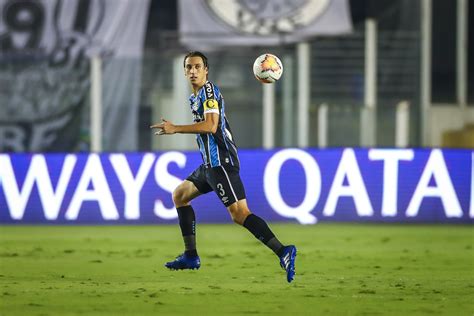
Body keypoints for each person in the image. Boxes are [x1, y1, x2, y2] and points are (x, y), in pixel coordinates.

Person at [150, 51, 297, 283]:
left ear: (206, 70)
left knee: (239, 214)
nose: (193, 71)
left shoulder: (209, 92)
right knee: (179, 195)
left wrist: (175, 128)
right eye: (189, 67)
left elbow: (210, 126)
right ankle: (190, 256)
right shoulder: (194, 97)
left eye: (198, 67)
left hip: (221, 163)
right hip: (209, 165)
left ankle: (283, 251)